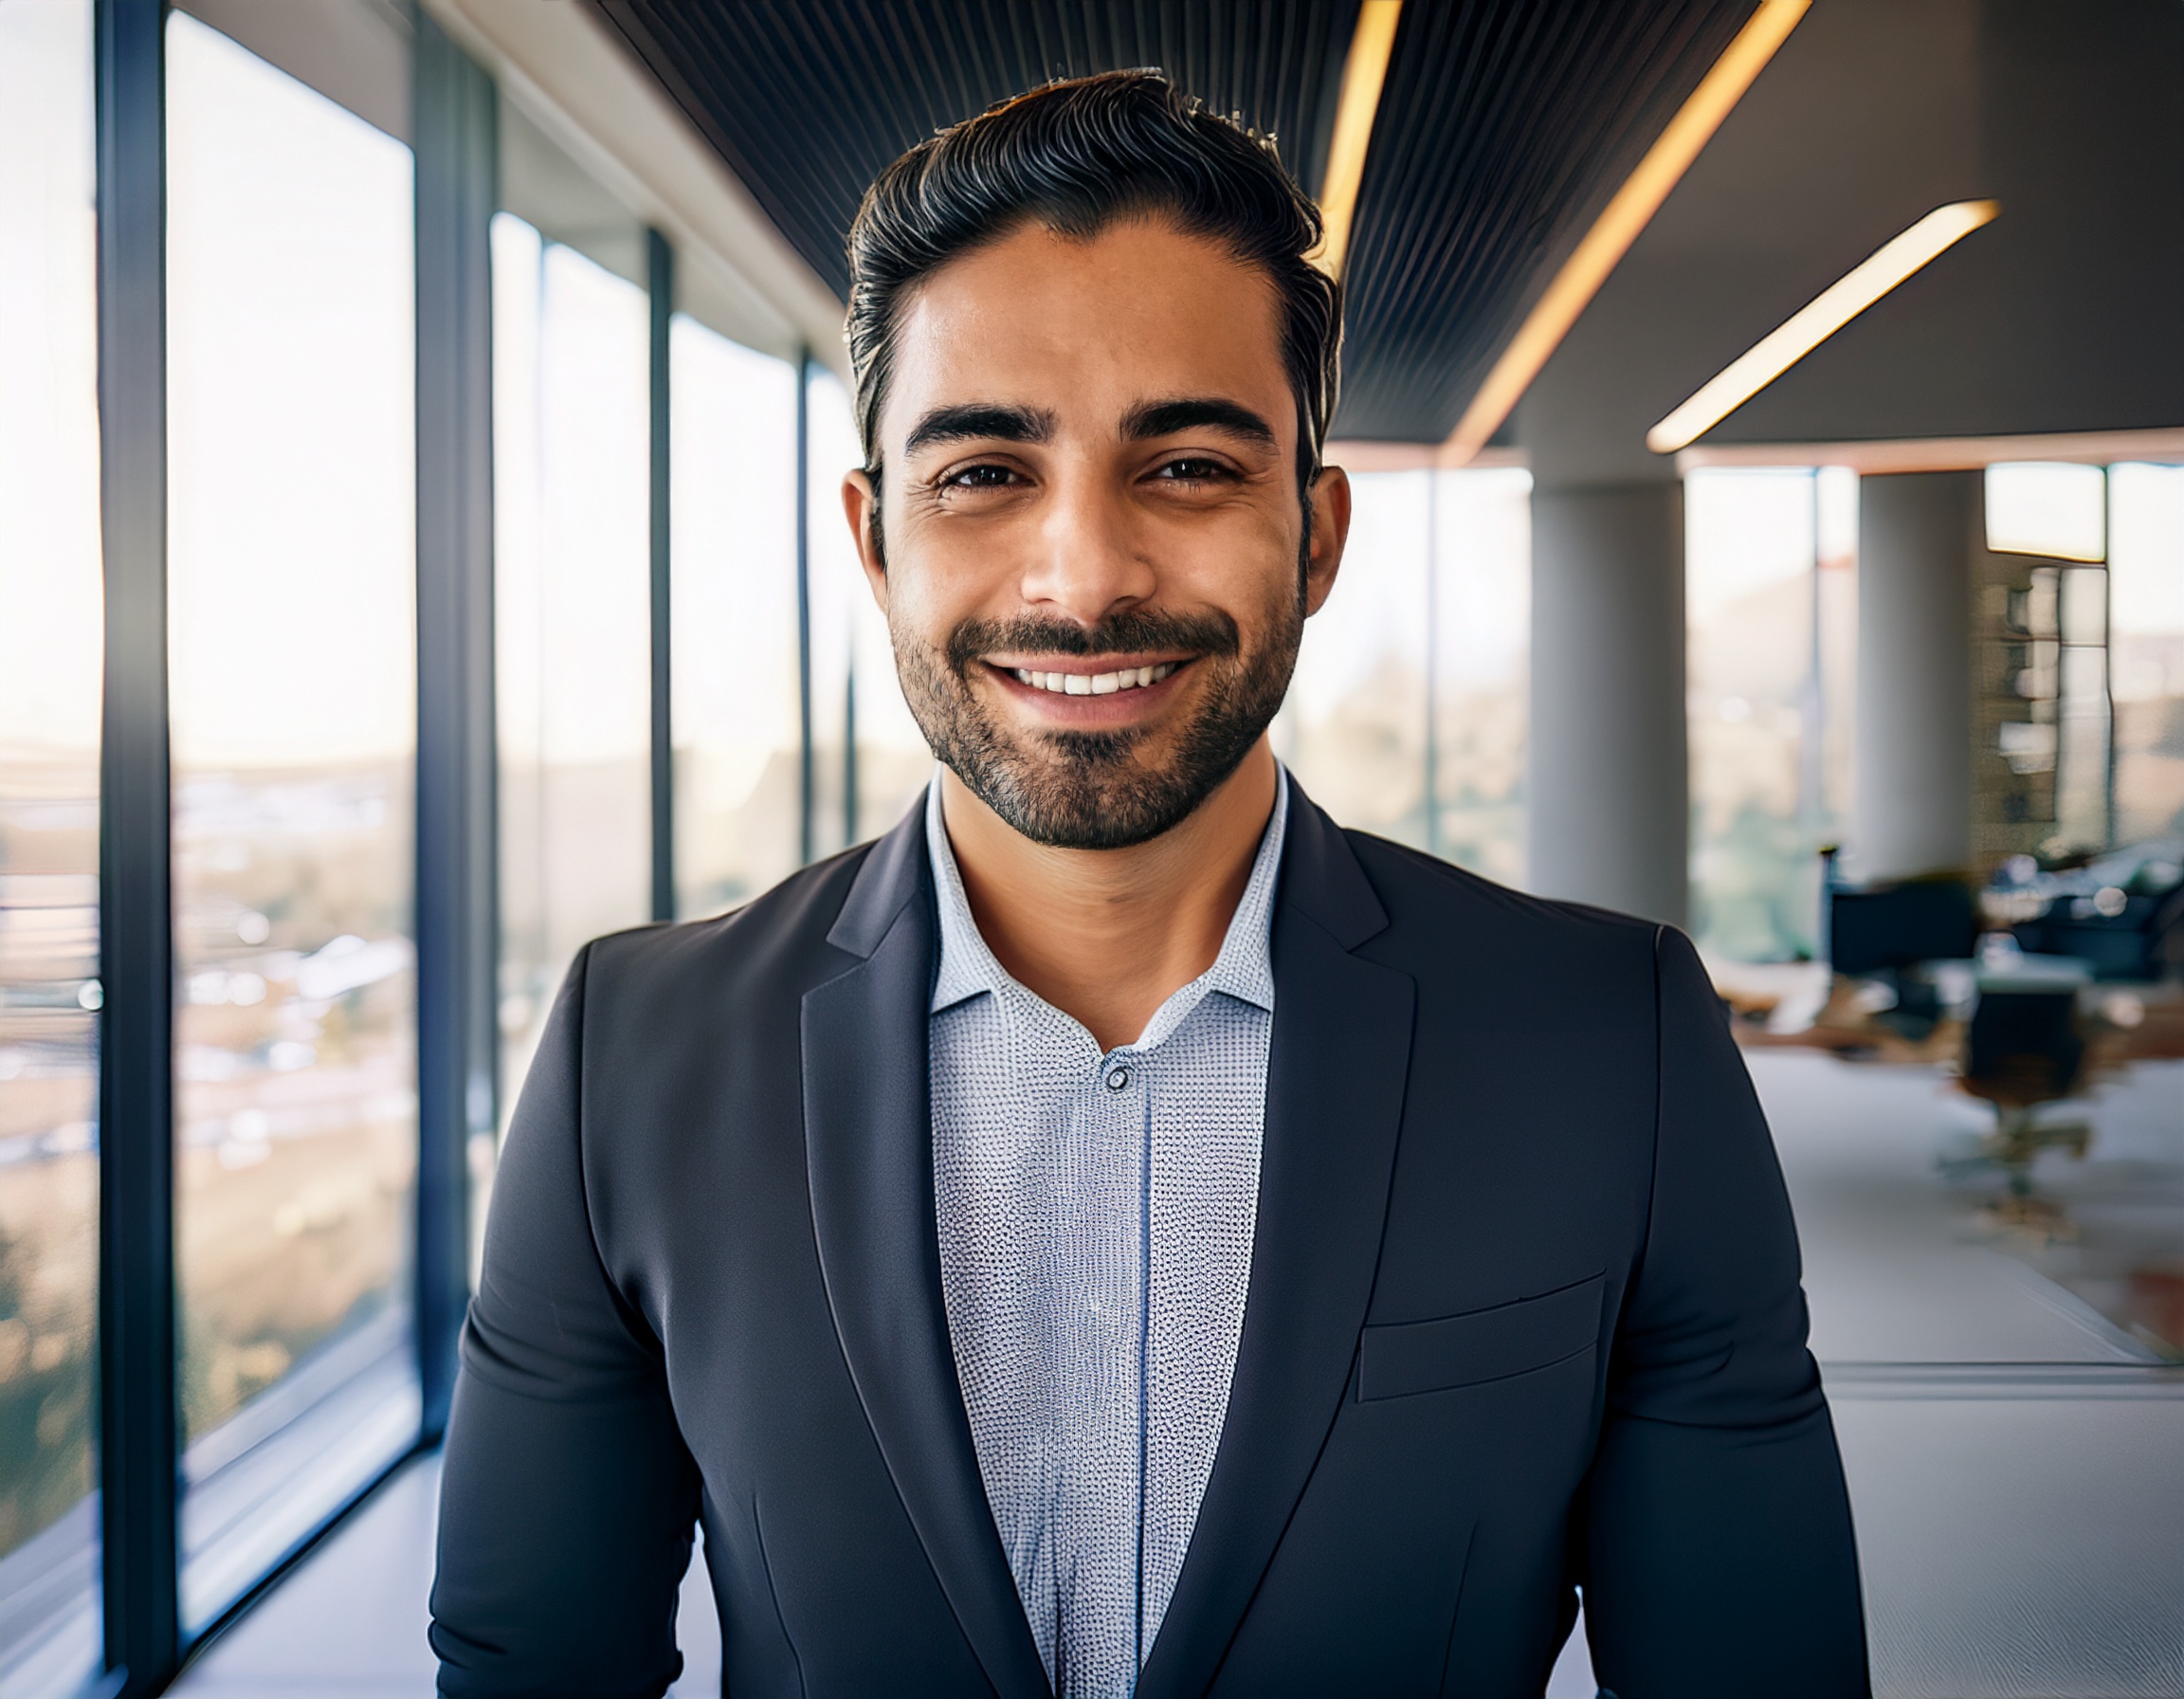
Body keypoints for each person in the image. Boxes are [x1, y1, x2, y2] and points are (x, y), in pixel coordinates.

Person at [430, 70, 1867, 1699]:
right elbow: (525, 1671)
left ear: (1315, 537)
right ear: (876, 536)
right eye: (982, 473)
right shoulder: (637, 1051)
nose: (1086, 575)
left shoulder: (1611, 1040)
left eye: (1186, 465)